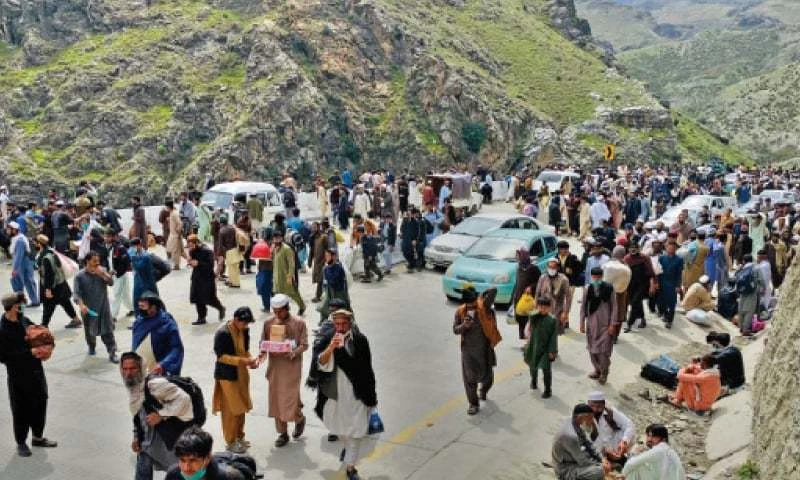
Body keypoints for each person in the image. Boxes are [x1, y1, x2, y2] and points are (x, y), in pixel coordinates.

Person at [310, 309, 377, 480]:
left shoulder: (360, 340)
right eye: (337, 324)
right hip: (335, 394)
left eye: (343, 324)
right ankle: (347, 448)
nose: (340, 327)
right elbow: (320, 362)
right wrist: (332, 347)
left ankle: (350, 468)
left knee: (357, 430)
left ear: (350, 323)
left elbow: (367, 368)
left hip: (357, 393)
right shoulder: (328, 338)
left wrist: (371, 394)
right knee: (337, 426)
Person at [0, 292, 57, 457]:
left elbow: (37, 331)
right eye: (21, 305)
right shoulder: (3, 329)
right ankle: (21, 442)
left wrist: (45, 339)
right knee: (21, 410)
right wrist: (28, 352)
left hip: (36, 371)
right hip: (18, 376)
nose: (23, 307)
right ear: (14, 306)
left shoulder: (23, 320)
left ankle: (38, 437)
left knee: (40, 402)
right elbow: (3, 357)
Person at [120, 352, 194, 480]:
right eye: (125, 369)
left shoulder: (154, 384)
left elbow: (184, 400)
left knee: (179, 473)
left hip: (168, 441)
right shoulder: (133, 386)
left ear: (140, 368)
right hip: (147, 443)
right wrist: (136, 436)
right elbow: (138, 414)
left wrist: (161, 415)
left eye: (132, 368)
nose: (128, 373)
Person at [259, 294, 309, 447]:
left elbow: (304, 344)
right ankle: (282, 433)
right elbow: (262, 342)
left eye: (280, 311)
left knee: (290, 398)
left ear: (287, 308)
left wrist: (294, 352)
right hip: (275, 366)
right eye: (275, 311)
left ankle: (299, 419)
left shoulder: (299, 324)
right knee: (276, 400)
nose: (277, 314)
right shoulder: (268, 323)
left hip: (291, 367)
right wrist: (262, 353)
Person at [212, 306, 256, 454]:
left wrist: (251, 359)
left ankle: (239, 437)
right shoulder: (223, 333)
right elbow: (221, 357)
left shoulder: (244, 330)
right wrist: (242, 361)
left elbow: (245, 350)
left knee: (242, 407)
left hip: (241, 373)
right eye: (244, 323)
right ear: (236, 320)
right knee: (232, 410)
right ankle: (230, 441)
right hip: (227, 375)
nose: (246, 326)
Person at [453, 286, 502, 415]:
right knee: (469, 378)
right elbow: (455, 330)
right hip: (468, 351)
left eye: (473, 302)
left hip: (484, 348)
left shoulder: (483, 306)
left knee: (487, 377)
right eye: (468, 303)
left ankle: (484, 390)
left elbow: (494, 290)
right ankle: (473, 403)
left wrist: (482, 294)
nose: (471, 305)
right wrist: (464, 325)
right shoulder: (460, 312)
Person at [73, 251, 119, 362]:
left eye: (98, 261)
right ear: (87, 261)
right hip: (89, 310)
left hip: (103, 307)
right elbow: (76, 293)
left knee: (107, 331)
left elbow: (111, 283)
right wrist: (81, 305)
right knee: (89, 331)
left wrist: (103, 275)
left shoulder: (102, 271)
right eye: (94, 261)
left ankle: (112, 352)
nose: (97, 263)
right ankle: (91, 346)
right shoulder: (80, 276)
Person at [552, 403, 611, 480]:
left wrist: (602, 458)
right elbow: (583, 461)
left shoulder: (574, 421)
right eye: (590, 418)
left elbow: (587, 443)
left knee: (598, 453)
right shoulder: (571, 436)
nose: (591, 421)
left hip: (572, 459)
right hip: (565, 469)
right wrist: (601, 465)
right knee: (599, 471)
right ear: (582, 417)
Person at [165, 426, 249, 480]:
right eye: (182, 460)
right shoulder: (173, 475)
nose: (186, 468)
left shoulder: (229, 478)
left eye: (193, 460)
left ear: (208, 458)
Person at [34, 234, 81, 328]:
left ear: (39, 244)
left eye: (35, 242)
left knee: (48, 306)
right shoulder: (51, 251)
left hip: (52, 286)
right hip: (60, 283)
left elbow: (48, 274)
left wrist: (47, 289)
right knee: (65, 302)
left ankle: (44, 325)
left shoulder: (46, 258)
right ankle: (76, 319)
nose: (34, 244)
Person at [131, 292, 184, 375]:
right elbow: (135, 344)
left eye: (143, 307)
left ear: (153, 308)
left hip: (160, 369)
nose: (140, 309)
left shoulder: (167, 324)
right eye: (139, 306)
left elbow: (176, 348)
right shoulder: (138, 322)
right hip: (141, 369)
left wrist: (163, 364)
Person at [580, 267, 617, 385]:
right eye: (594, 277)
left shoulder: (609, 289)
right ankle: (597, 370)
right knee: (592, 350)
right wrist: (581, 322)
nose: (596, 279)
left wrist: (612, 324)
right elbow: (583, 307)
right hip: (591, 325)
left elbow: (614, 307)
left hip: (605, 326)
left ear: (602, 277)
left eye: (598, 277)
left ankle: (604, 373)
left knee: (603, 352)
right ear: (591, 277)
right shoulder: (587, 288)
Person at [185, 235, 226, 325]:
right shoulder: (192, 251)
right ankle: (201, 318)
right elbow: (192, 262)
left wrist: (198, 263)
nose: (190, 247)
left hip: (207, 278)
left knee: (210, 298)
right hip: (197, 277)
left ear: (196, 242)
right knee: (197, 298)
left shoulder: (207, 251)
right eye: (189, 245)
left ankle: (221, 308)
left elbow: (210, 266)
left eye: (191, 245)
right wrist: (190, 262)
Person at [586, 391, 635, 465]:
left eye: (599, 407)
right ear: (588, 404)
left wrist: (624, 442)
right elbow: (587, 440)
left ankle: (617, 457)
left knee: (630, 435)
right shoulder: (583, 415)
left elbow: (629, 425)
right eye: (592, 406)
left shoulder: (610, 412)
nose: (595, 409)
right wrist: (604, 452)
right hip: (594, 446)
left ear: (604, 405)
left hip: (610, 442)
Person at [621, 424, 685, 480]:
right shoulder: (668, 449)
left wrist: (622, 475)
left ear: (663, 438)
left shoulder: (659, 449)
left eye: (654, 436)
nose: (650, 439)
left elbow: (631, 463)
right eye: (649, 436)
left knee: (635, 468)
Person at [523, 296, 558, 398]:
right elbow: (530, 316)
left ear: (550, 308)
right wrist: (537, 311)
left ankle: (548, 389)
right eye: (540, 307)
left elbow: (553, 337)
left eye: (545, 307)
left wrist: (552, 351)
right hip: (534, 346)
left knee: (546, 369)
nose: (543, 309)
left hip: (546, 349)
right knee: (532, 365)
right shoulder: (535, 317)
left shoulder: (552, 320)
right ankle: (533, 381)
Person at [272, 230, 306, 315]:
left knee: (293, 293)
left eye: (278, 238)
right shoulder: (275, 248)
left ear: (282, 238)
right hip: (277, 276)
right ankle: (282, 311)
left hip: (286, 276)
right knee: (278, 294)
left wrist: (290, 276)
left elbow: (291, 264)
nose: (276, 240)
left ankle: (302, 306)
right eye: (275, 239)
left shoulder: (287, 249)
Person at [623, 242, 656, 332]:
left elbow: (651, 272)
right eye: (631, 247)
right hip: (630, 285)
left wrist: (653, 284)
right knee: (637, 303)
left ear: (638, 249)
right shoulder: (626, 258)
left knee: (634, 303)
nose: (633, 249)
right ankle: (643, 319)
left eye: (635, 247)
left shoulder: (645, 258)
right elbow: (624, 273)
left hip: (643, 284)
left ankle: (629, 324)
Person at [105, 229, 135, 323]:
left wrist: (116, 272)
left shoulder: (120, 248)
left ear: (114, 237)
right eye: (105, 236)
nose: (106, 238)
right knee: (125, 294)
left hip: (120, 275)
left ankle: (113, 316)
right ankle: (132, 309)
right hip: (114, 274)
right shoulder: (108, 247)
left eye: (108, 236)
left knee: (116, 295)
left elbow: (126, 262)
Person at [536, 257, 572, 334]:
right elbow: (537, 294)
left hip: (557, 312)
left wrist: (565, 312)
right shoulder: (543, 278)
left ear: (558, 267)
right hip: (543, 311)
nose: (551, 269)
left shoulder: (563, 279)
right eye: (550, 267)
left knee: (553, 335)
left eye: (554, 267)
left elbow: (568, 297)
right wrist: (535, 309)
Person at [512, 248, 541, 342]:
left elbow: (539, 282)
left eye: (518, 256)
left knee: (529, 321)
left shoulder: (534, 268)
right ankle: (525, 339)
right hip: (519, 298)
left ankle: (529, 342)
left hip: (529, 299)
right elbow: (517, 283)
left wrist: (531, 287)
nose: (517, 258)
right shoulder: (519, 267)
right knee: (521, 319)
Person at [602, 245, 631, 339]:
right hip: (620, 295)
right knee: (618, 314)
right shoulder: (626, 267)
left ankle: (607, 333)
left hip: (606, 294)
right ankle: (615, 336)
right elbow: (627, 283)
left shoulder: (606, 265)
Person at [8, 221, 40, 307]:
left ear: (14, 230)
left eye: (9, 229)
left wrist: (15, 269)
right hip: (24, 262)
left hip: (22, 263)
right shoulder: (18, 238)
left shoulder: (19, 241)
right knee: (27, 281)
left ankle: (22, 301)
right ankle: (31, 300)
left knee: (21, 281)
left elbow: (19, 256)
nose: (8, 230)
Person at [735, 254, 764, 336]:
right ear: (752, 260)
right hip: (752, 291)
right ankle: (745, 329)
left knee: (741, 308)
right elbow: (761, 280)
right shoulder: (756, 268)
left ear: (744, 261)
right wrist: (763, 288)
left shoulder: (742, 268)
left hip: (742, 291)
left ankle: (740, 327)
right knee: (749, 310)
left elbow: (736, 277)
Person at [658, 241, 683, 329]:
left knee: (672, 303)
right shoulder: (661, 258)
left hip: (672, 284)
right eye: (669, 247)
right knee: (662, 302)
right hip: (662, 282)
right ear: (666, 248)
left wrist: (678, 285)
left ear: (676, 249)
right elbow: (658, 271)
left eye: (673, 248)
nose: (671, 249)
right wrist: (656, 283)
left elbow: (679, 274)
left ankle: (670, 321)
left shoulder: (679, 259)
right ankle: (665, 315)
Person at [218, 215, 241, 288]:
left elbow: (220, 245)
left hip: (229, 251)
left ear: (221, 223)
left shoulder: (222, 231)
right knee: (235, 268)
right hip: (236, 249)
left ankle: (235, 283)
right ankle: (232, 281)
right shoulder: (233, 228)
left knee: (232, 268)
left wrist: (219, 254)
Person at [400, 208, 425, 272]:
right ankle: (413, 263)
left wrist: (415, 240)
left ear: (412, 214)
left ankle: (411, 266)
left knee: (410, 253)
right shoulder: (405, 220)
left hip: (412, 240)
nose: (409, 214)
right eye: (408, 213)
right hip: (405, 239)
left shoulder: (415, 222)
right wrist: (401, 233)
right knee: (404, 252)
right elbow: (402, 228)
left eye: (410, 213)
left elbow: (417, 232)